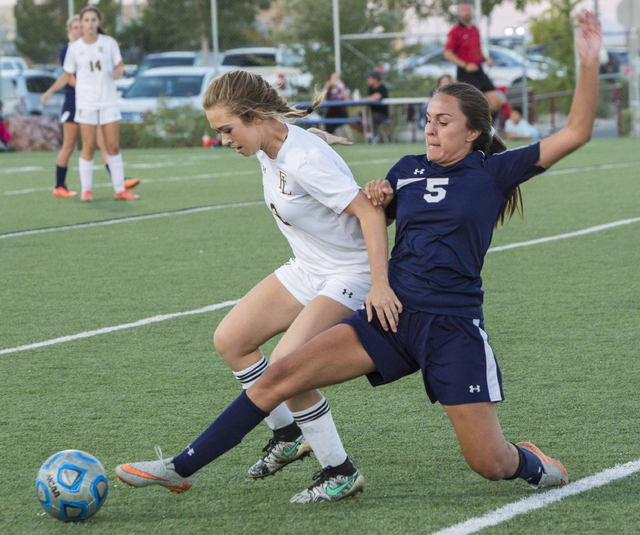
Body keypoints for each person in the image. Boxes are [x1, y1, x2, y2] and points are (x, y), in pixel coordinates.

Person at [115, 12, 600, 503]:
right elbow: (365, 218)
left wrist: (588, 59)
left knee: (489, 463)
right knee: (283, 372)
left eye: (443, 121)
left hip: (450, 326)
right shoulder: (406, 169)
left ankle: (535, 463)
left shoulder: (496, 172)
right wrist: (377, 198)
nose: (429, 129)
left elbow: (577, 132)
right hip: (389, 315)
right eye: (427, 118)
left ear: (473, 132)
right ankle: (180, 466)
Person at [117, 69, 401, 502]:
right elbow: (287, 137)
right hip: (308, 267)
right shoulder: (271, 141)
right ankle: (288, 434)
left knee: (291, 363)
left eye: (227, 130)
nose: (224, 139)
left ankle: (338, 470)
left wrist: (379, 284)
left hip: (350, 272)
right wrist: (314, 133)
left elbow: (370, 214)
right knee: (232, 339)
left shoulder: (303, 157)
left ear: (252, 116)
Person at [40, 6, 139, 202]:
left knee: (112, 146)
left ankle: (120, 190)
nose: (90, 24)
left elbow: (120, 66)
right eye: (86, 20)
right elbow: (66, 75)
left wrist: (121, 72)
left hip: (108, 101)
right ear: (82, 23)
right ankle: (87, 190)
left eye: (93, 20)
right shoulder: (74, 49)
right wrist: (49, 91)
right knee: (89, 146)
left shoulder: (109, 43)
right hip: (86, 103)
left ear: (98, 22)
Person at [444, 2, 506, 115]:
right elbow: (448, 54)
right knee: (473, 105)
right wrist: (465, 65)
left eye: (468, 10)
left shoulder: (475, 30)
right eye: (464, 10)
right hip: (465, 72)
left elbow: (476, 52)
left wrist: (486, 59)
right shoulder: (455, 31)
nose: (467, 12)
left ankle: (487, 130)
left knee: (495, 101)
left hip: (479, 70)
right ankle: (474, 130)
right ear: (459, 12)